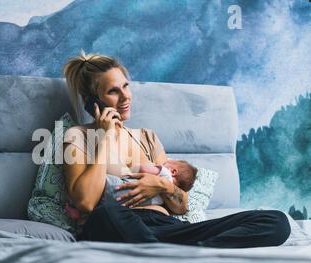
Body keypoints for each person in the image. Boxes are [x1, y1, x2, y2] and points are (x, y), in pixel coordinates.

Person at [61, 50, 290, 248]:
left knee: (276, 221)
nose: (125, 97)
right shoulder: (77, 136)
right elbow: (85, 203)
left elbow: (181, 208)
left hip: (168, 229)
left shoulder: (147, 138)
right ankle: (175, 254)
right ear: (93, 102)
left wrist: (161, 185)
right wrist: (106, 137)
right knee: (105, 214)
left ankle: (191, 253)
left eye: (126, 86)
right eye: (113, 91)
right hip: (117, 226)